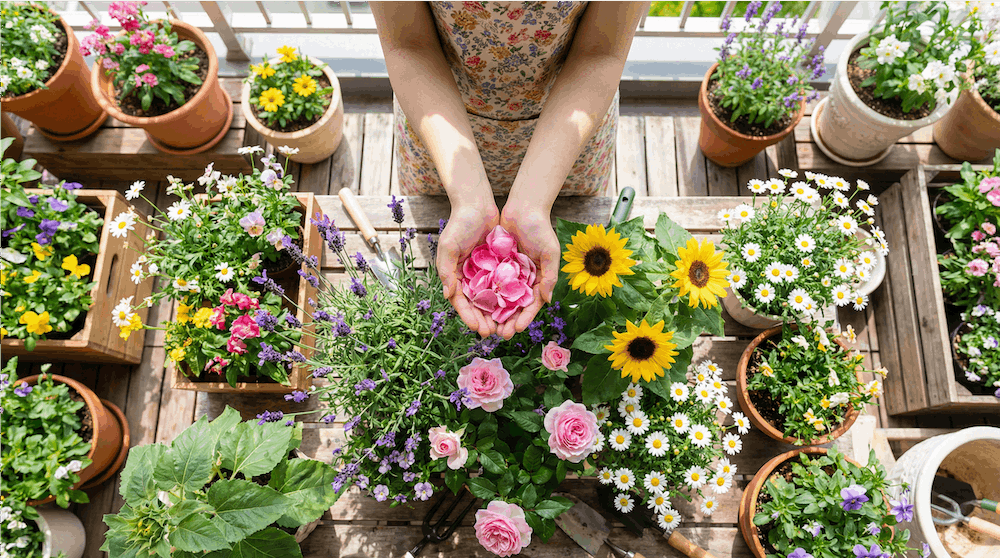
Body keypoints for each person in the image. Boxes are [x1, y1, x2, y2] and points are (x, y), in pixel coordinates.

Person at [371, 1, 647, 339]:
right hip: (439, 130)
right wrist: (468, 200)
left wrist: (532, 203)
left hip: (568, 137)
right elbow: (409, 45)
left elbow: (600, 54)